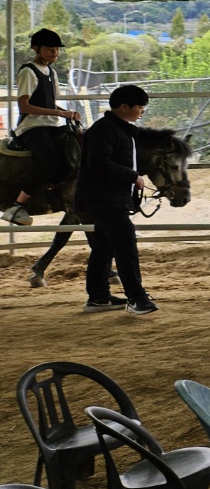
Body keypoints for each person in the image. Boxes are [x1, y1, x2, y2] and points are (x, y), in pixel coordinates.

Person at [75, 85, 158, 316]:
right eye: (140, 107)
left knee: (104, 247)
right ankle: (137, 298)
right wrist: (133, 177)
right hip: (104, 199)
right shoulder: (105, 130)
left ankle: (98, 297)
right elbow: (99, 163)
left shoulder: (119, 129)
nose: (142, 111)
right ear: (124, 107)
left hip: (108, 198)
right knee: (126, 244)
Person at [3, 28, 82, 230]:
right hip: (32, 127)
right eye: (49, 49)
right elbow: (24, 106)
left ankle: (54, 194)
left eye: (56, 49)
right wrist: (59, 115)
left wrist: (68, 113)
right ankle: (17, 206)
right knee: (48, 163)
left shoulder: (51, 72)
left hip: (50, 125)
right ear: (36, 49)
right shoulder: (28, 71)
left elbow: (51, 103)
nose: (54, 53)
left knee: (75, 153)